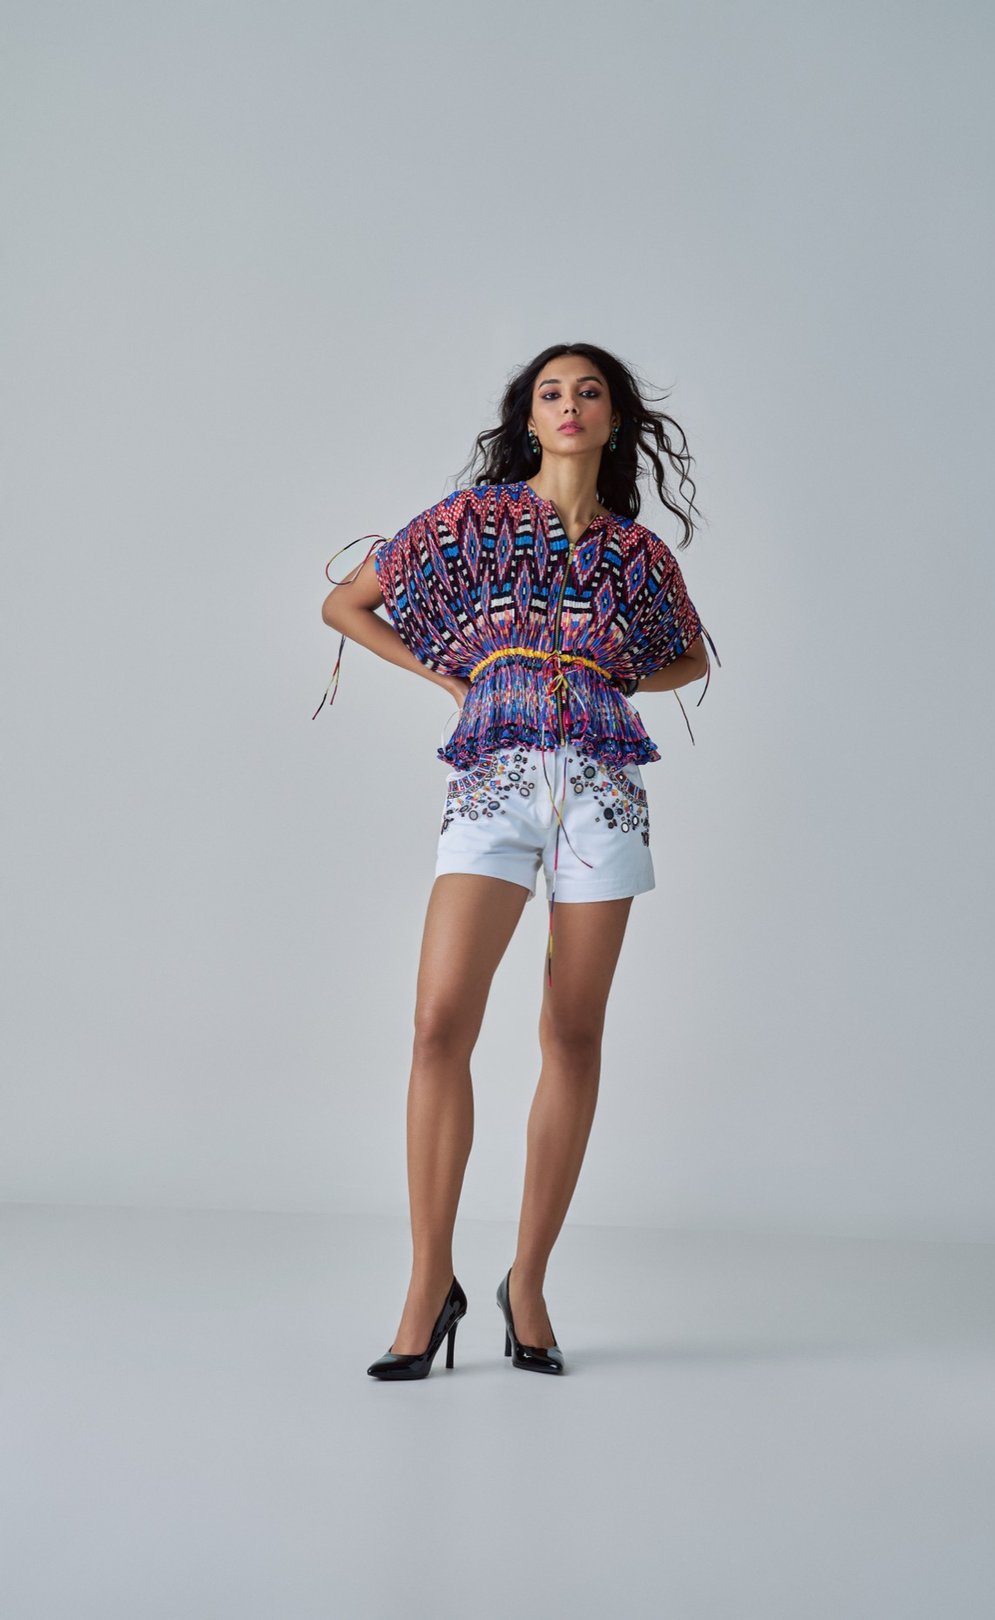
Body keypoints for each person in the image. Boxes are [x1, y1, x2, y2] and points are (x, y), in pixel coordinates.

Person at [316, 342, 719, 1378]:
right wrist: (455, 679)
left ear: (615, 419)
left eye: (589, 392)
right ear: (528, 419)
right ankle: (428, 1286)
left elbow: (690, 655)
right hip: (494, 773)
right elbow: (345, 604)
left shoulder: (639, 556)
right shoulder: (472, 523)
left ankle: (527, 1284)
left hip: (604, 786)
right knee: (438, 1022)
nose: (569, 405)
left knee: (572, 1033)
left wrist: (609, 670)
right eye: (551, 393)